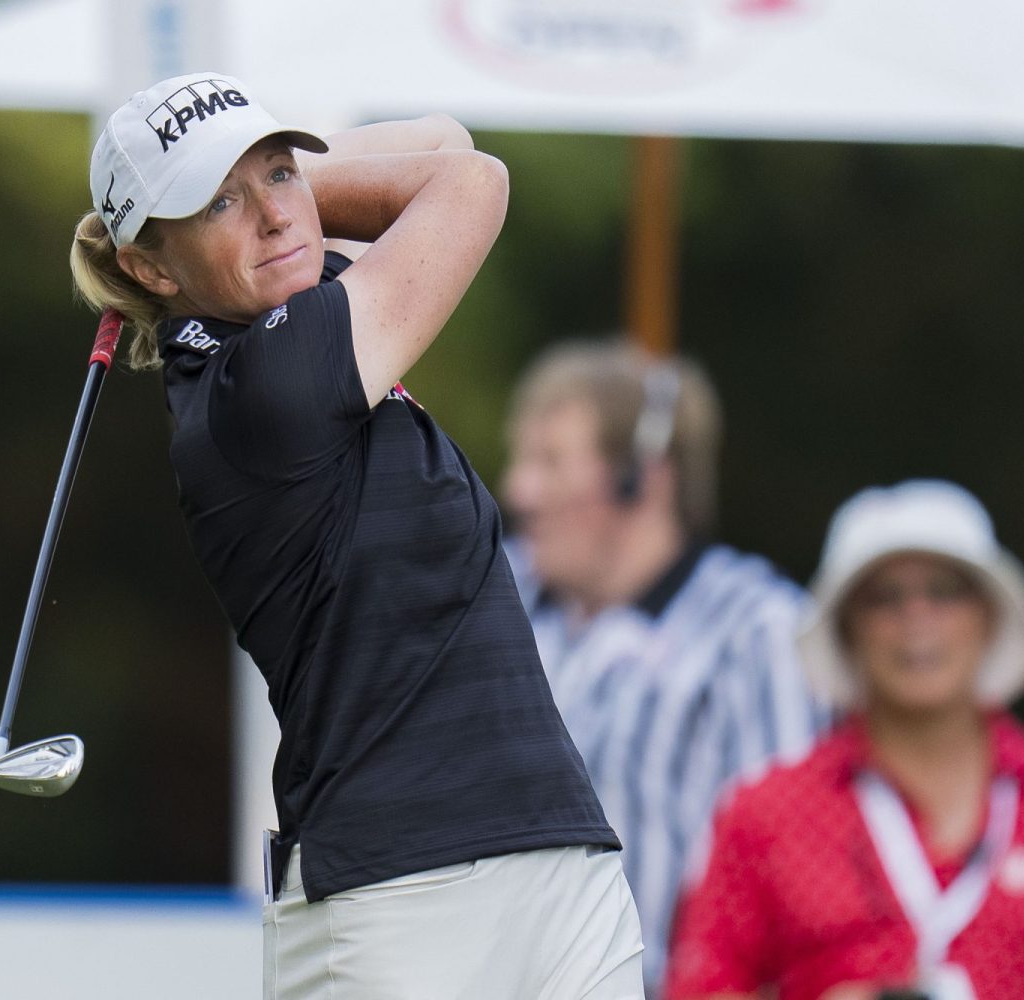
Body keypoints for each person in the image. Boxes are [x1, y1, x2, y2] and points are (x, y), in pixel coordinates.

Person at [70, 72, 643, 998]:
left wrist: (233, 209)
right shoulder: (263, 388)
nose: (270, 216)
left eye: (279, 172)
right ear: (151, 270)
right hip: (395, 899)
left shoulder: (291, 305)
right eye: (222, 201)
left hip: (555, 859)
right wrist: (264, 206)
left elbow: (444, 140)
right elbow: (471, 183)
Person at [667, 480, 1024, 1000]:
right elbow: (698, 989)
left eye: (945, 591)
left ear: (989, 616)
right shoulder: (763, 816)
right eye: (885, 598)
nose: (917, 618)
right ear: (845, 630)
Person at [501, 338, 827, 995]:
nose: (519, 490)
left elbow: (791, 870)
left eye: (551, 461)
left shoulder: (756, 630)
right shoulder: (498, 601)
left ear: (640, 477)